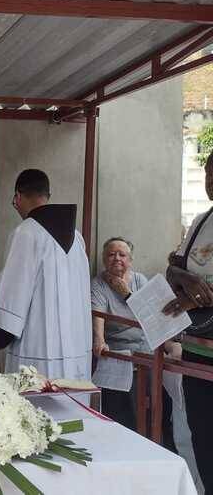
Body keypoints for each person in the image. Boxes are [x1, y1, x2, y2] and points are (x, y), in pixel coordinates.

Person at [0, 169, 92, 380]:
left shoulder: (27, 232)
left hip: (37, 356)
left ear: (18, 197)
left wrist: (0, 333)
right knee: (72, 410)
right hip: (76, 355)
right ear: (47, 195)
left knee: (37, 410)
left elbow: (14, 290)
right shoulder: (77, 238)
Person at [91, 237, 178, 448]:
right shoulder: (99, 284)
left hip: (147, 350)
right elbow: (98, 314)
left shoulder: (140, 279)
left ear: (130, 260)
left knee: (159, 409)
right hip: (120, 351)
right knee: (125, 412)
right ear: (104, 259)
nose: (117, 259)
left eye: (122, 255)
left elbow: (152, 315)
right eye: (111, 254)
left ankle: (159, 447)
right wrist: (99, 340)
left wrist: (127, 294)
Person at [163, 153, 213, 492]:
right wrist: (183, 278)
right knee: (203, 440)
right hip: (198, 352)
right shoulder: (201, 220)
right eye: (208, 174)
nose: (211, 182)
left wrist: (197, 296)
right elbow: (172, 268)